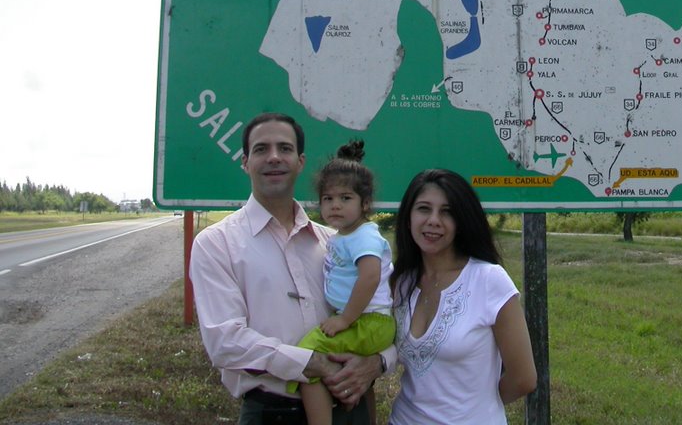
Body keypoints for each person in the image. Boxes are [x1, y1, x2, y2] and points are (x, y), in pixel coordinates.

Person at [189, 113, 395, 425]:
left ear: (300, 162)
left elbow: (386, 310)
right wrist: (310, 363)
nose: (274, 157)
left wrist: (379, 362)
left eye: (284, 148)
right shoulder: (217, 243)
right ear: (245, 162)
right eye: (261, 149)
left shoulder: (335, 242)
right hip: (273, 412)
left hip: (352, 408)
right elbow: (224, 342)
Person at [387, 169, 537, 425]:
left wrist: (476, 410)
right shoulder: (400, 281)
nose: (434, 220)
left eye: (447, 211)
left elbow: (523, 378)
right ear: (408, 217)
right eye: (424, 209)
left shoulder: (489, 280)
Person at [290, 140, 396, 425]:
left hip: (367, 321)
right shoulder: (340, 237)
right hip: (361, 321)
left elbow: (371, 276)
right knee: (341, 370)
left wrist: (345, 319)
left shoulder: (364, 236)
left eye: (345, 198)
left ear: (365, 203)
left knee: (306, 357)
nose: (335, 205)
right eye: (328, 198)